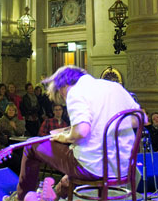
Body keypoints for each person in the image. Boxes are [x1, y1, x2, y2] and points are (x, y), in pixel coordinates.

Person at [9, 65, 142, 200]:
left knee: (32, 145)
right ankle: (53, 195)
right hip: (123, 169)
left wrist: (64, 137)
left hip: (92, 169)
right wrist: (105, 125)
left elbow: (81, 131)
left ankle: (21, 198)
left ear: (64, 85)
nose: (64, 98)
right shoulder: (115, 87)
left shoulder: (75, 91)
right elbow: (141, 118)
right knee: (75, 158)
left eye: (61, 93)